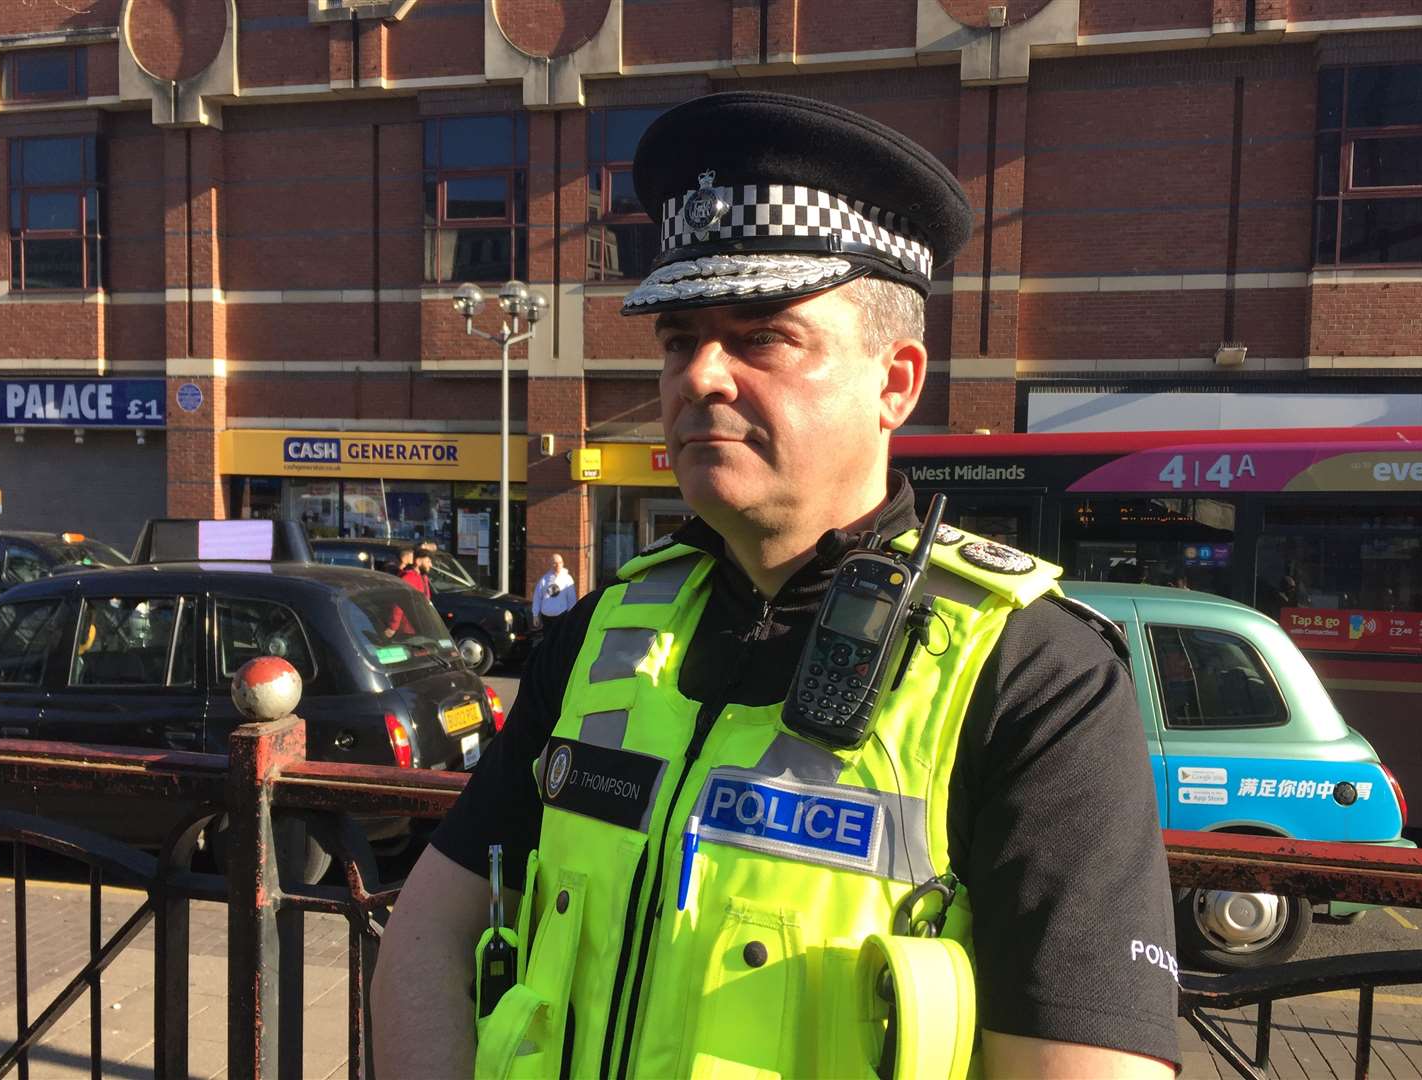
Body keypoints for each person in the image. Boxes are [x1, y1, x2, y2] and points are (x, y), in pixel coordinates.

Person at [372, 92, 1179, 1079]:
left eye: (762, 335)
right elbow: (430, 931)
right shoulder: (600, 638)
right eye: (678, 337)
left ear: (897, 382)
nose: (699, 374)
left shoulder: (1033, 675)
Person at [531, 552, 578, 630]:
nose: (557, 565)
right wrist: (535, 615)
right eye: (555, 563)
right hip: (546, 618)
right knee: (548, 640)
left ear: (563, 564)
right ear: (551, 564)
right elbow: (537, 598)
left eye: (560, 563)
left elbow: (571, 600)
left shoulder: (567, 579)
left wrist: (571, 616)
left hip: (561, 617)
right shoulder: (544, 579)